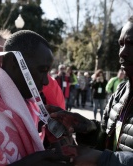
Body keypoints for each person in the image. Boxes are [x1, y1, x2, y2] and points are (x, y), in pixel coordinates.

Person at [0, 30, 72, 165]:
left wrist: (51, 141)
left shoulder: (31, 107)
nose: (46, 82)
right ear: (13, 61)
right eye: (42, 70)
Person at [49, 16, 133, 166]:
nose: (122, 53)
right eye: (121, 44)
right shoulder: (120, 91)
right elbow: (107, 140)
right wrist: (87, 128)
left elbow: (105, 156)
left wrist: (101, 159)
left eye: (131, 44)